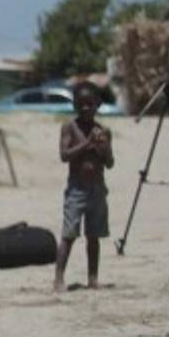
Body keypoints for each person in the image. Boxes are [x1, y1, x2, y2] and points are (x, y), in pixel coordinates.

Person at [54, 81, 114, 292]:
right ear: (74, 105)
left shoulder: (103, 130)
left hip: (97, 188)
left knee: (94, 236)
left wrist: (102, 148)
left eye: (90, 104)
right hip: (76, 189)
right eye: (81, 104)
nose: (85, 108)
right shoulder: (69, 127)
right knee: (69, 234)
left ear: (98, 105)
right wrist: (87, 143)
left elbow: (109, 163)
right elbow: (64, 155)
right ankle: (59, 278)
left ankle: (93, 278)